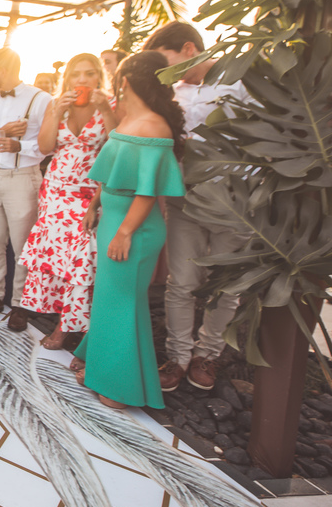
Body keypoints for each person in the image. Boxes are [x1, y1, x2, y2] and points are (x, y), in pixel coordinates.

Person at [72, 51, 185, 409]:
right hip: (112, 221)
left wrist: (124, 232)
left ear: (125, 81)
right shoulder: (126, 119)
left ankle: (120, 388)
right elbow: (113, 175)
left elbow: (147, 191)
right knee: (107, 299)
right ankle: (101, 365)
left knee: (123, 304)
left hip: (133, 230)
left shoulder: (153, 126)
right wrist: (95, 206)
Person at [145, 22, 250, 391]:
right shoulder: (170, 92)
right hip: (184, 199)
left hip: (233, 201)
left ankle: (208, 354)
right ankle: (178, 356)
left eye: (168, 62)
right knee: (182, 282)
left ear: (190, 49)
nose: (165, 72)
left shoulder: (240, 80)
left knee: (226, 285)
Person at [18, 54, 115, 347]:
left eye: (89, 74)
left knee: (81, 259)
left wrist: (103, 109)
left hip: (89, 191)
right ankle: (61, 311)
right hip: (55, 191)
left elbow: (117, 145)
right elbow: (46, 147)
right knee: (58, 256)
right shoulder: (56, 103)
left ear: (99, 77)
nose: (82, 80)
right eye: (76, 74)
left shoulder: (109, 104)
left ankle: (65, 327)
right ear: (68, 78)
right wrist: (56, 113)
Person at [0, 48, 52, 329]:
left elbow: (49, 144)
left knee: (22, 247)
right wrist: (1, 132)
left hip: (22, 178)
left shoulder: (41, 99)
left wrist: (21, 145)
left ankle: (20, 304)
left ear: (3, 69)